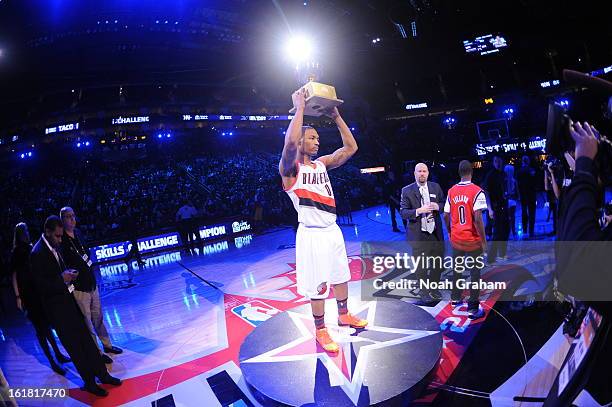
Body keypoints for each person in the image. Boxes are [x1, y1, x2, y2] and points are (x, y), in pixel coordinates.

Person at [279, 88, 367, 354]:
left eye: (318, 137)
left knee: (341, 275)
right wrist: (300, 109)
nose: (318, 142)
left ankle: (343, 314)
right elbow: (290, 145)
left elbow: (351, 148)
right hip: (312, 233)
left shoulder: (322, 164)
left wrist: (337, 117)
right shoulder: (290, 170)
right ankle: (320, 330)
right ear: (302, 140)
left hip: (332, 229)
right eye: (313, 138)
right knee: (318, 285)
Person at [29, 216, 121, 397]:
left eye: (61, 236)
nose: (60, 240)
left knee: (87, 341)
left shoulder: (55, 247)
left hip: (70, 303)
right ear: (47, 232)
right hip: (57, 311)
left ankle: (103, 374)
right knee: (76, 349)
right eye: (57, 236)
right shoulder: (37, 253)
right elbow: (40, 287)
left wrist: (69, 276)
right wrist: (61, 279)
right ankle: (89, 383)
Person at [59, 207, 123, 365]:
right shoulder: (62, 241)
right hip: (79, 288)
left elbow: (85, 252)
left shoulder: (79, 233)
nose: (72, 219)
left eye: (73, 215)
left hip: (92, 282)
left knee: (98, 317)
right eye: (68, 217)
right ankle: (97, 353)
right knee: (87, 323)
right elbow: (62, 265)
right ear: (62, 220)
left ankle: (107, 345)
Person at [10, 222, 71, 375]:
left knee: (47, 327)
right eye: (23, 231)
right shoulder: (17, 251)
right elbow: (14, 275)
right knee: (41, 330)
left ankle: (58, 354)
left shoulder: (31, 247)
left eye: (26, 229)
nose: (27, 232)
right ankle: (52, 361)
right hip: (28, 295)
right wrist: (18, 297)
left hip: (38, 292)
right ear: (19, 234)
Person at [444, 161, 488, 319]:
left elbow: (446, 215)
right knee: (475, 273)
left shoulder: (451, 191)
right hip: (472, 239)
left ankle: (455, 297)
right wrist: (483, 242)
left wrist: (450, 231)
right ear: (472, 172)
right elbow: (478, 219)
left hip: (456, 237)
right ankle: (473, 308)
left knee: (458, 269)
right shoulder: (477, 191)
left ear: (459, 172)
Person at [400, 162, 446, 302]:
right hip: (418, 235)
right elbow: (403, 213)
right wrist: (418, 211)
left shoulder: (435, 187)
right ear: (414, 173)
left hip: (435, 234)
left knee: (437, 264)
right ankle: (424, 291)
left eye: (424, 171)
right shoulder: (406, 190)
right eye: (419, 171)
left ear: (428, 173)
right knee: (421, 266)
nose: (422, 173)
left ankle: (433, 288)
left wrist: (438, 206)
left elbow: (445, 204)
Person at [484, 155, 510, 263]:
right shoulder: (490, 176)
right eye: (495, 161)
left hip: (504, 205)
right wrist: (489, 209)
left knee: (505, 230)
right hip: (495, 207)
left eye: (499, 161)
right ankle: (491, 258)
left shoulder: (503, 174)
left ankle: (502, 254)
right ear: (493, 162)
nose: (497, 163)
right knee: (497, 233)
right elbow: (486, 193)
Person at [517, 155, 537, 239]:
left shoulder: (519, 171)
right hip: (531, 195)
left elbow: (518, 184)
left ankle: (525, 231)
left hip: (523, 195)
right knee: (531, 214)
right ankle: (531, 232)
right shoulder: (532, 170)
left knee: (524, 213)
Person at [504, 164, 519, 239]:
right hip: (512, 200)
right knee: (512, 217)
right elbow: (517, 192)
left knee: (507, 218)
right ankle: (513, 233)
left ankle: (508, 233)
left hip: (506, 200)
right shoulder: (514, 181)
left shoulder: (504, 181)